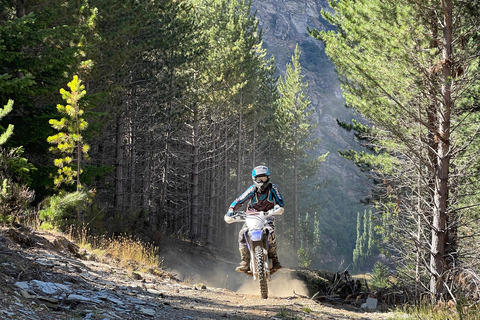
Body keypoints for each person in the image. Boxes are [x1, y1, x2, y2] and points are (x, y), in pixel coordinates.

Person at [225, 165, 284, 274]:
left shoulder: (273, 188)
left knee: (270, 232)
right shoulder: (252, 189)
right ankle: (245, 261)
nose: (261, 181)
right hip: (251, 216)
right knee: (242, 233)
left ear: (268, 178)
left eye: (264, 178)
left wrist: (278, 207)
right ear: (254, 179)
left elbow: (280, 201)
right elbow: (240, 199)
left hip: (267, 215)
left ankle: (274, 258)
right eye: (258, 179)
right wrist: (231, 209)